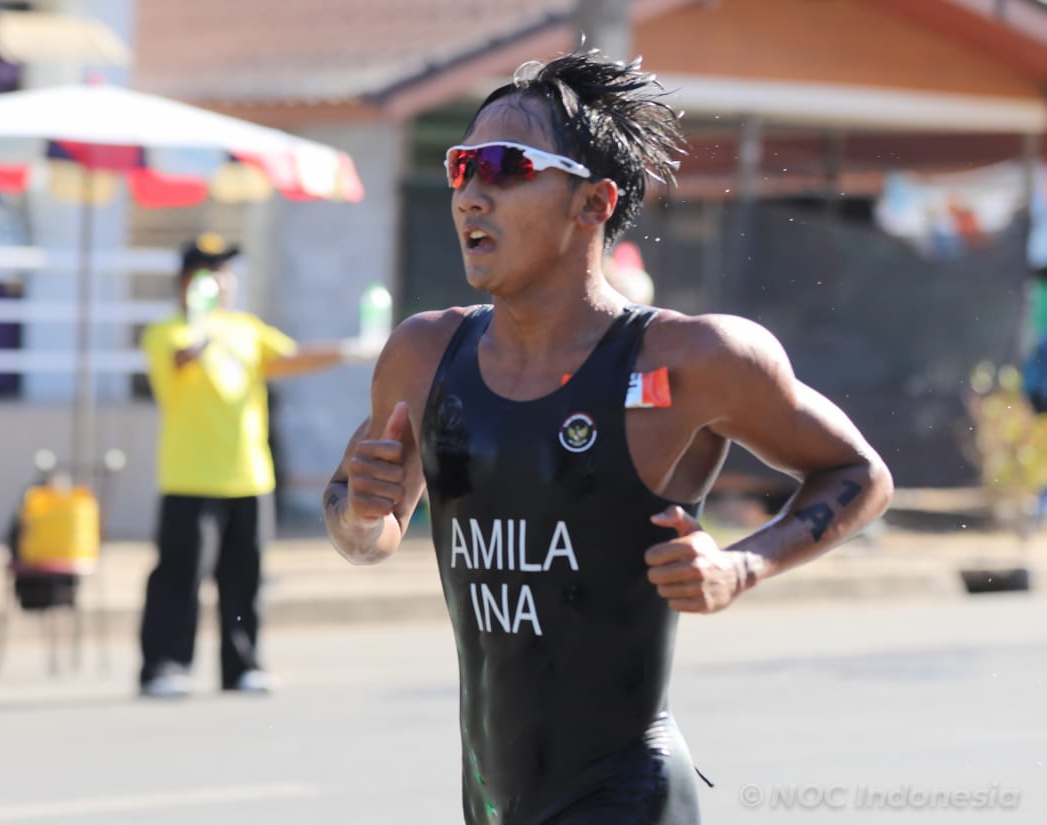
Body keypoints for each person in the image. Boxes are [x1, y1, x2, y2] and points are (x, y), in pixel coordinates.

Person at [322, 52, 893, 824]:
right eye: (462, 166)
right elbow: (365, 533)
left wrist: (740, 566)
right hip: (491, 798)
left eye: (507, 167)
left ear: (593, 202)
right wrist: (361, 511)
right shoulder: (425, 356)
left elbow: (859, 472)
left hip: (626, 794)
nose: (471, 194)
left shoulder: (692, 358)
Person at [140, 232, 376, 698]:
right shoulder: (168, 331)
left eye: (227, 273)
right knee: (179, 577)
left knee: (244, 578)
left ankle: (242, 665)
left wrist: (352, 349)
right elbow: (181, 360)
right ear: (188, 281)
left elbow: (289, 358)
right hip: (190, 478)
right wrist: (201, 327)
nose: (224, 282)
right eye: (213, 274)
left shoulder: (245, 329)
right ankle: (165, 665)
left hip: (249, 476)